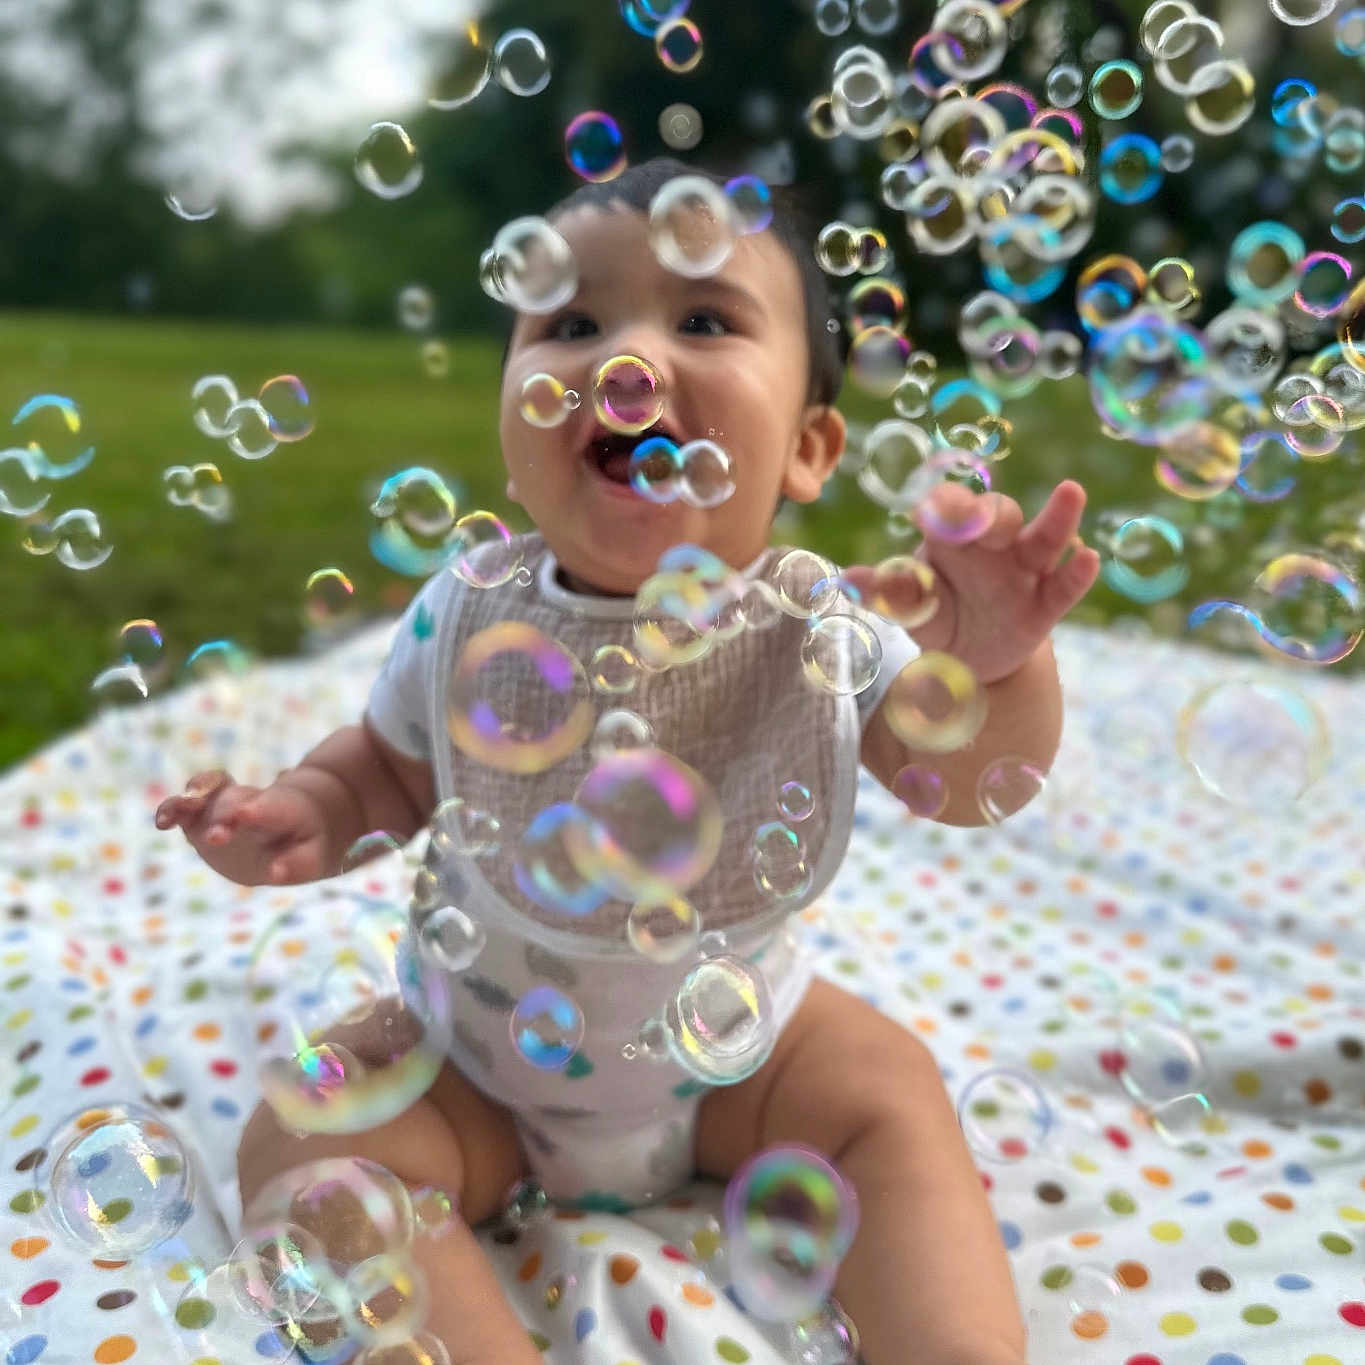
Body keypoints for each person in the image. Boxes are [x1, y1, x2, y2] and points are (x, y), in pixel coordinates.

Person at [156, 156, 1100, 1365]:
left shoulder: (815, 627)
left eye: (704, 319)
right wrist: (303, 811)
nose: (625, 360)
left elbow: (966, 781)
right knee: (304, 1137)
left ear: (810, 448)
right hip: (479, 1063)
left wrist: (1000, 669)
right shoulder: (471, 615)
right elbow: (385, 772)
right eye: (571, 324)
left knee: (889, 1093)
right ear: (512, 436)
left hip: (744, 1061)